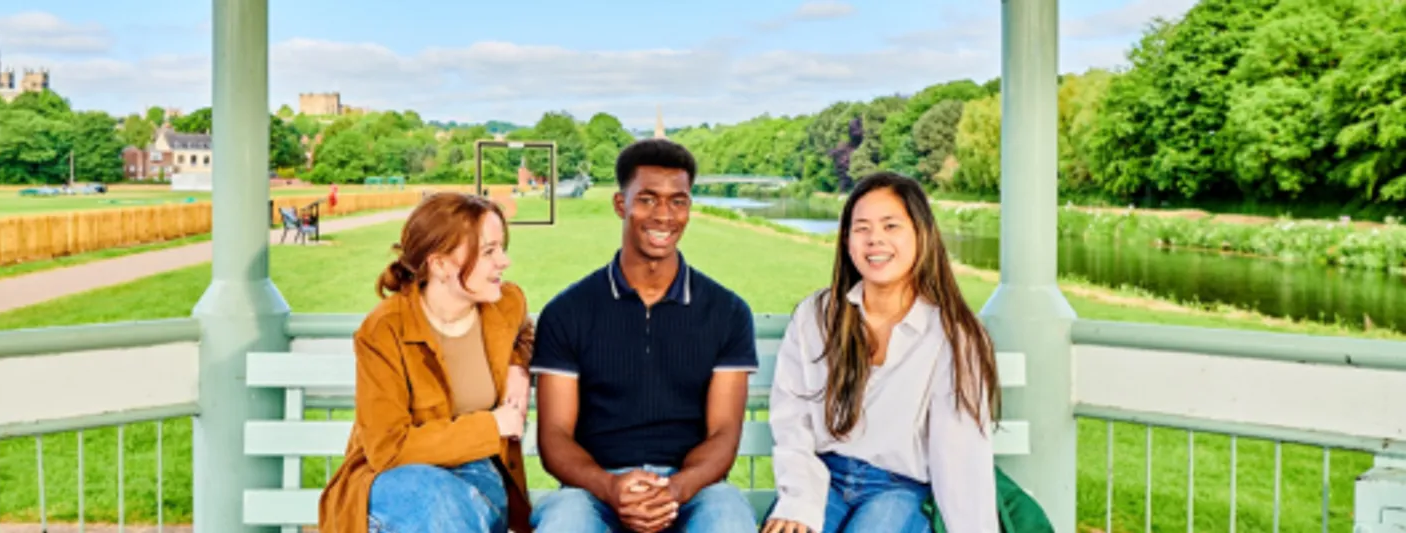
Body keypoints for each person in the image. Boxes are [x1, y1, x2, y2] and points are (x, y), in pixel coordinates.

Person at [528, 138, 759, 532]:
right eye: (648, 199)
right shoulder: (567, 311)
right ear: (622, 205)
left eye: (678, 201)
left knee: (728, 519)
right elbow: (554, 436)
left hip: (694, 491)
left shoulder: (727, 312)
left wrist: (674, 490)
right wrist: (611, 487)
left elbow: (724, 433)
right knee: (564, 522)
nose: (664, 216)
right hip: (594, 492)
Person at [762, 172, 1001, 533]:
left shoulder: (953, 336)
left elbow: (960, 454)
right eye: (862, 228)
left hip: (899, 488)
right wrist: (798, 502)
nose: (875, 240)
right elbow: (792, 420)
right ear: (846, 241)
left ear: (921, 234)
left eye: (891, 226)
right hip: (819, 479)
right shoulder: (817, 316)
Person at [317, 192, 537, 533]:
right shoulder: (383, 331)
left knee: (447, 511)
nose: (504, 261)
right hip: (396, 479)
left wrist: (518, 367)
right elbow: (388, 451)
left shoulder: (505, 303)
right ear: (440, 264)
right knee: (431, 499)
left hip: (478, 471)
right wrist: (493, 426)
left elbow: (525, 332)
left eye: (501, 247)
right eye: (489, 251)